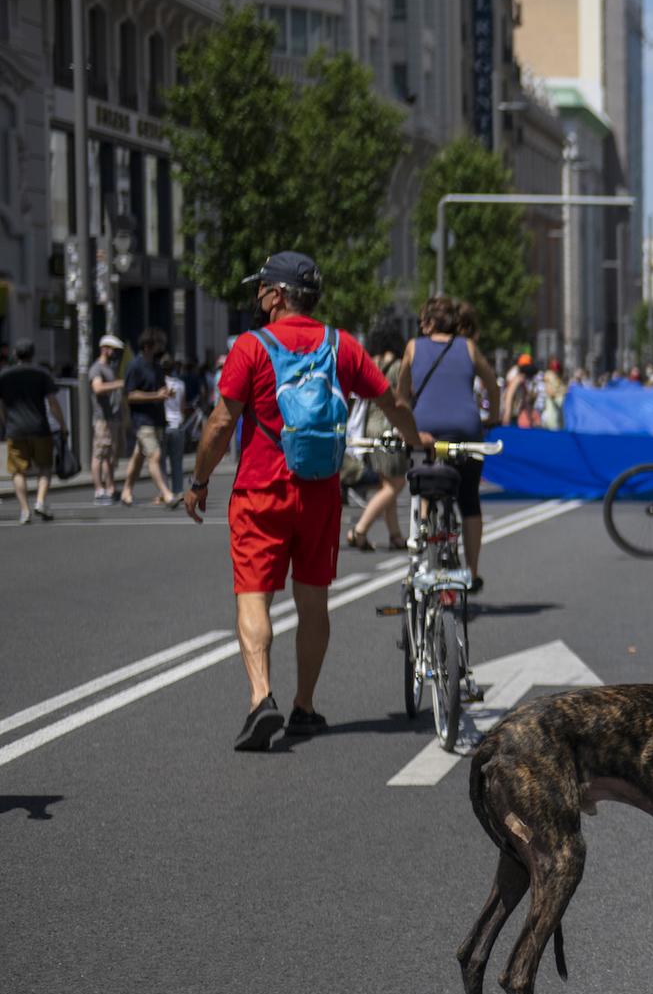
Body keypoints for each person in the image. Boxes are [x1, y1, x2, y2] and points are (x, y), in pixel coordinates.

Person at [185, 251, 425, 750]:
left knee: (254, 595)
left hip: (260, 490)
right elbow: (392, 403)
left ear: (276, 295)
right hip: (319, 492)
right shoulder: (342, 346)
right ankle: (305, 706)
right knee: (313, 600)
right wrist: (416, 444)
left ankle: (260, 698)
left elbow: (221, 423)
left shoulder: (251, 347)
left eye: (261, 290)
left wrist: (199, 480)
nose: (257, 298)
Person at [401, 297, 501, 589]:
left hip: (424, 431)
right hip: (465, 432)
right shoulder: (468, 347)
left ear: (431, 323)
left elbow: (401, 395)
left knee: (424, 485)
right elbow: (493, 386)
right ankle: (471, 571)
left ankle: (420, 536)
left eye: (423, 320)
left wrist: (405, 424)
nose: (420, 326)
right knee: (469, 498)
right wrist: (492, 418)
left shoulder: (412, 347)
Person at [348, 326, 411, 551]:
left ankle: (395, 535)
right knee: (396, 484)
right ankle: (360, 529)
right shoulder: (397, 367)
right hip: (388, 428)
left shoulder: (370, 365)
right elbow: (402, 399)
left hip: (368, 428)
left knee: (387, 483)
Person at [1, 341, 65, 523]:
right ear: (33, 354)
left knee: (18, 471)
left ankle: (24, 510)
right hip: (39, 427)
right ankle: (40, 501)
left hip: (15, 429)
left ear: (15, 354)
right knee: (44, 467)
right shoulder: (41, 374)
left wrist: (6, 422)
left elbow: (1, 404)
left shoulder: (4, 375)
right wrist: (62, 425)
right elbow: (53, 402)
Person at [118, 329, 175, 506]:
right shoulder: (135, 366)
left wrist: (166, 393)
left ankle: (126, 491)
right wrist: (155, 396)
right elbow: (130, 395)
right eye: (158, 344)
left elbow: (160, 389)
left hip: (157, 418)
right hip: (142, 420)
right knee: (154, 455)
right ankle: (167, 493)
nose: (161, 348)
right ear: (149, 345)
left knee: (139, 456)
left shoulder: (157, 367)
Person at [87, 335, 126, 505]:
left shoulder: (109, 368)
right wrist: (119, 384)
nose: (114, 353)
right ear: (104, 348)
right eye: (112, 349)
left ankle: (110, 487)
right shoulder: (97, 368)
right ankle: (98, 490)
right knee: (99, 454)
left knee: (110, 455)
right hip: (102, 418)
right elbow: (97, 388)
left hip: (112, 418)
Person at [161, 355, 191, 501]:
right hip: (178, 423)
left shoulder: (161, 383)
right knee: (177, 461)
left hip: (165, 424)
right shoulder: (180, 384)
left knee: (161, 461)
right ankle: (178, 490)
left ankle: (165, 492)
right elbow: (182, 406)